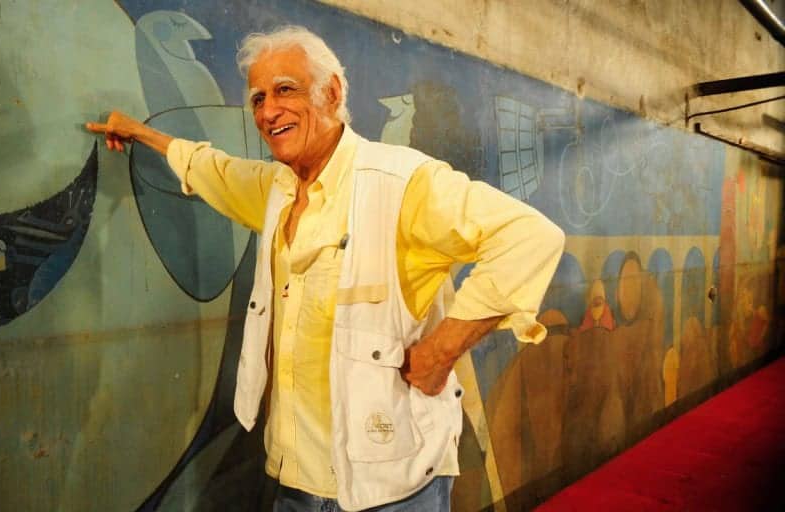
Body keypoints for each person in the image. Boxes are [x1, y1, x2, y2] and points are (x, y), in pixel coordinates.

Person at [86, 25, 564, 512]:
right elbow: (216, 170)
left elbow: (530, 237)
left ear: (332, 93)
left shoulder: (400, 183)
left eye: (285, 90)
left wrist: (442, 350)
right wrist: (142, 134)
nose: (268, 111)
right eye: (258, 99)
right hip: (296, 479)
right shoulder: (276, 190)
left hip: (390, 488)